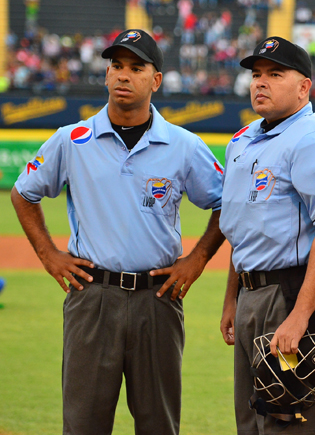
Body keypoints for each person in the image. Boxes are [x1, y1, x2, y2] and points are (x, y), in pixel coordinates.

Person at [11, 29, 225, 435]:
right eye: (116, 66)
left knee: (158, 423)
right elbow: (24, 194)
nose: (123, 75)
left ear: (156, 80)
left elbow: (225, 204)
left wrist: (196, 261)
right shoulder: (72, 140)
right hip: (92, 298)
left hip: (157, 300)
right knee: (84, 424)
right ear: (107, 75)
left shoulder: (184, 145)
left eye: (136, 67)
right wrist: (49, 254)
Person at [218, 36, 315, 434]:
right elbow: (242, 229)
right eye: (257, 74)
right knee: (252, 424)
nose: (260, 82)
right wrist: (233, 297)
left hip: (293, 296)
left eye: (275, 74)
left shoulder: (314, 141)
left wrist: (300, 316)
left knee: (293, 426)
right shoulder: (242, 140)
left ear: (304, 88)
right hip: (253, 294)